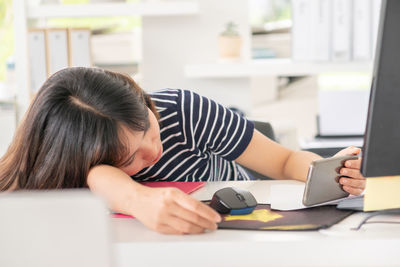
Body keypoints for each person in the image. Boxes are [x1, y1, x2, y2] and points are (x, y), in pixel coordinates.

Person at [0, 67, 366, 234]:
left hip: (237, 230)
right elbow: (98, 178)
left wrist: (328, 169)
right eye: (129, 158)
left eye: (147, 127)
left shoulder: (181, 110)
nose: (153, 152)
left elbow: (284, 159)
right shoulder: (71, 165)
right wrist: (138, 200)